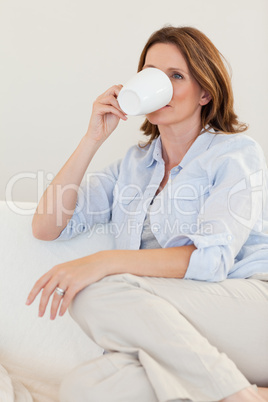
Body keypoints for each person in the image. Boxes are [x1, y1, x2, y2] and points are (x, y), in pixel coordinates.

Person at [26, 26, 268, 401]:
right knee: (84, 389)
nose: (163, 85)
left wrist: (105, 262)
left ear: (204, 92)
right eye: (153, 73)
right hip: (182, 331)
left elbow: (212, 259)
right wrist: (92, 138)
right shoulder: (133, 166)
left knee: (94, 293)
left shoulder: (235, 154)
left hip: (249, 308)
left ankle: (238, 395)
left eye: (176, 76)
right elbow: (46, 226)